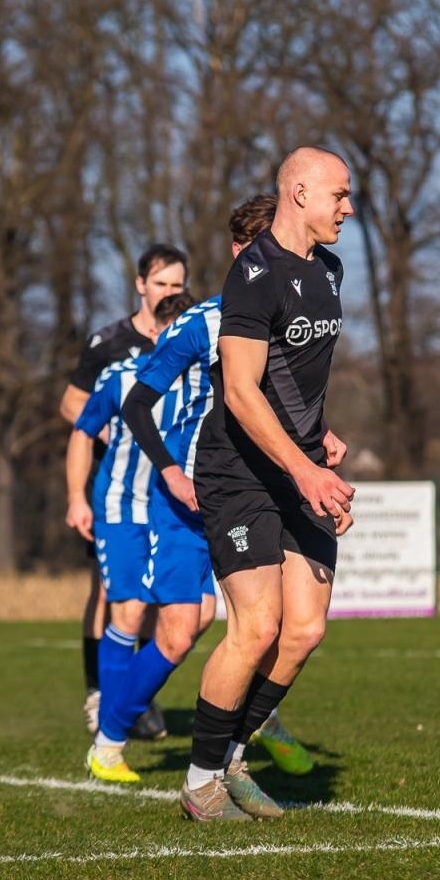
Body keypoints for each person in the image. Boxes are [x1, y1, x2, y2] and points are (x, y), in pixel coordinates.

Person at [106, 195, 328, 791]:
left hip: (266, 484)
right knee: (188, 627)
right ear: (241, 251)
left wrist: (318, 440)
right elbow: (135, 402)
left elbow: (287, 401)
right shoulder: (202, 321)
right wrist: (170, 472)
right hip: (199, 489)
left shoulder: (296, 307)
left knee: (284, 628)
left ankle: (246, 737)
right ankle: (112, 733)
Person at [179, 147, 357, 821]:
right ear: (300, 191)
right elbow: (243, 393)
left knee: (304, 630)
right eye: (339, 195)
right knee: (256, 626)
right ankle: (200, 781)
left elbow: (297, 378)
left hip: (297, 466)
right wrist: (305, 466)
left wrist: (322, 435)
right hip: (238, 470)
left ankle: (231, 755)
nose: (347, 208)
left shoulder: (331, 270)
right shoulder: (251, 275)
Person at [66, 292, 195, 782]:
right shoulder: (121, 378)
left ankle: (122, 713)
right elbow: (82, 432)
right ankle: (110, 732)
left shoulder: (203, 384)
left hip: (173, 515)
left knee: (193, 618)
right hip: (121, 511)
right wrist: (77, 496)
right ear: (158, 335)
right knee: (130, 611)